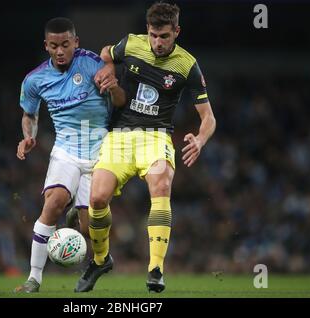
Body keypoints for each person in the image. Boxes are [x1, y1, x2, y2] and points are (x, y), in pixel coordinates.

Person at [74, 2, 216, 293]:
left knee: (161, 185)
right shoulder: (131, 43)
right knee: (97, 199)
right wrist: (110, 69)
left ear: (176, 32)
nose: (157, 42)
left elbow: (209, 118)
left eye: (164, 36)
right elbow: (105, 52)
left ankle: (155, 269)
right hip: (119, 136)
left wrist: (200, 139)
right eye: (153, 35)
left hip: (157, 137)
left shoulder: (187, 64)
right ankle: (100, 260)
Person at [14, 17, 126, 293]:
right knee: (53, 203)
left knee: (90, 229)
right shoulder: (35, 79)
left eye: (66, 44)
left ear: (76, 42)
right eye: (54, 46)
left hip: (100, 149)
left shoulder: (94, 64)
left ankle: (78, 215)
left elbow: (122, 101)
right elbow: (29, 115)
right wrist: (29, 136)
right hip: (66, 147)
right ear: (46, 46)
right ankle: (34, 278)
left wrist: (113, 87)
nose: (61, 50)